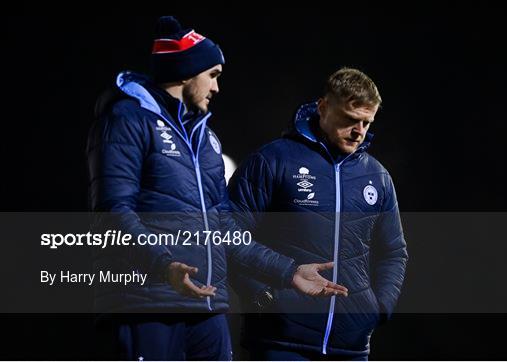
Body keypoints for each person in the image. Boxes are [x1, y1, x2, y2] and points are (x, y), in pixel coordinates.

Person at [87, 16, 347, 361]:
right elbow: (112, 214)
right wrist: (164, 266)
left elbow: (224, 228)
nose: (216, 88)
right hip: (148, 305)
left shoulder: (206, 141)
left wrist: (289, 272)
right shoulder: (126, 120)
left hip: (206, 306)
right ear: (184, 72)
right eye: (213, 75)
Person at [228, 67, 408, 360]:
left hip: (350, 347)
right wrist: (263, 298)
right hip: (280, 342)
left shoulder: (377, 176)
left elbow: (393, 251)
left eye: (366, 122)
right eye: (351, 120)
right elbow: (229, 235)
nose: (359, 131)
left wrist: (378, 308)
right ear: (323, 108)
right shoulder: (272, 160)